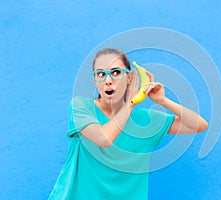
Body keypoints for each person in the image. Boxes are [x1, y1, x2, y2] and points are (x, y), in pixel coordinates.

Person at [48, 48, 208, 200]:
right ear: (95, 80)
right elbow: (104, 139)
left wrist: (163, 101)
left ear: (130, 77)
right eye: (101, 74)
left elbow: (199, 125)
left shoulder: (145, 120)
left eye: (116, 72)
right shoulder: (81, 107)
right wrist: (130, 103)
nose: (108, 80)